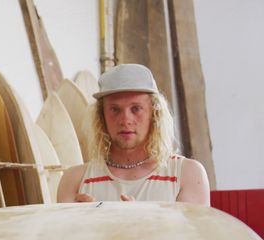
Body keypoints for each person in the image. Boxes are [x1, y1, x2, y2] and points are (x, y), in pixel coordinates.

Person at [57, 64, 210, 205]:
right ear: (101, 116)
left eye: (136, 109)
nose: (125, 120)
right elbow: (63, 235)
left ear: (155, 114)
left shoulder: (187, 174)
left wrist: (139, 221)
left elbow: (195, 235)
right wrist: (81, 222)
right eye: (115, 109)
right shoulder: (74, 180)